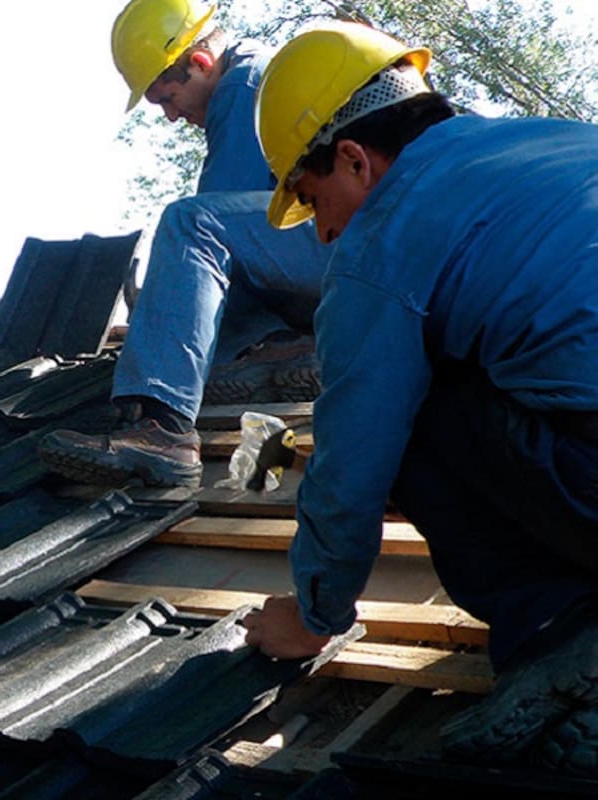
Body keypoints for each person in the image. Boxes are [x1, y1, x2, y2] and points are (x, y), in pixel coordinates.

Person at [242, 21, 598, 772]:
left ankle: (560, 633)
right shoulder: (553, 138)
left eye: (314, 200)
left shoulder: (381, 244)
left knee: (407, 416)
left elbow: (351, 467)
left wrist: (313, 618)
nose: (327, 234)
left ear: (354, 159)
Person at [37, 0, 329, 488]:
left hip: (355, 252)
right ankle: (271, 341)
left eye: (168, 98)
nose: (172, 117)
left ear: (200, 63)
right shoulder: (260, 70)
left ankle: (164, 428)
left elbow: (218, 238)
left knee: (190, 223)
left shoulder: (243, 86)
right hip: (350, 256)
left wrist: (163, 335)